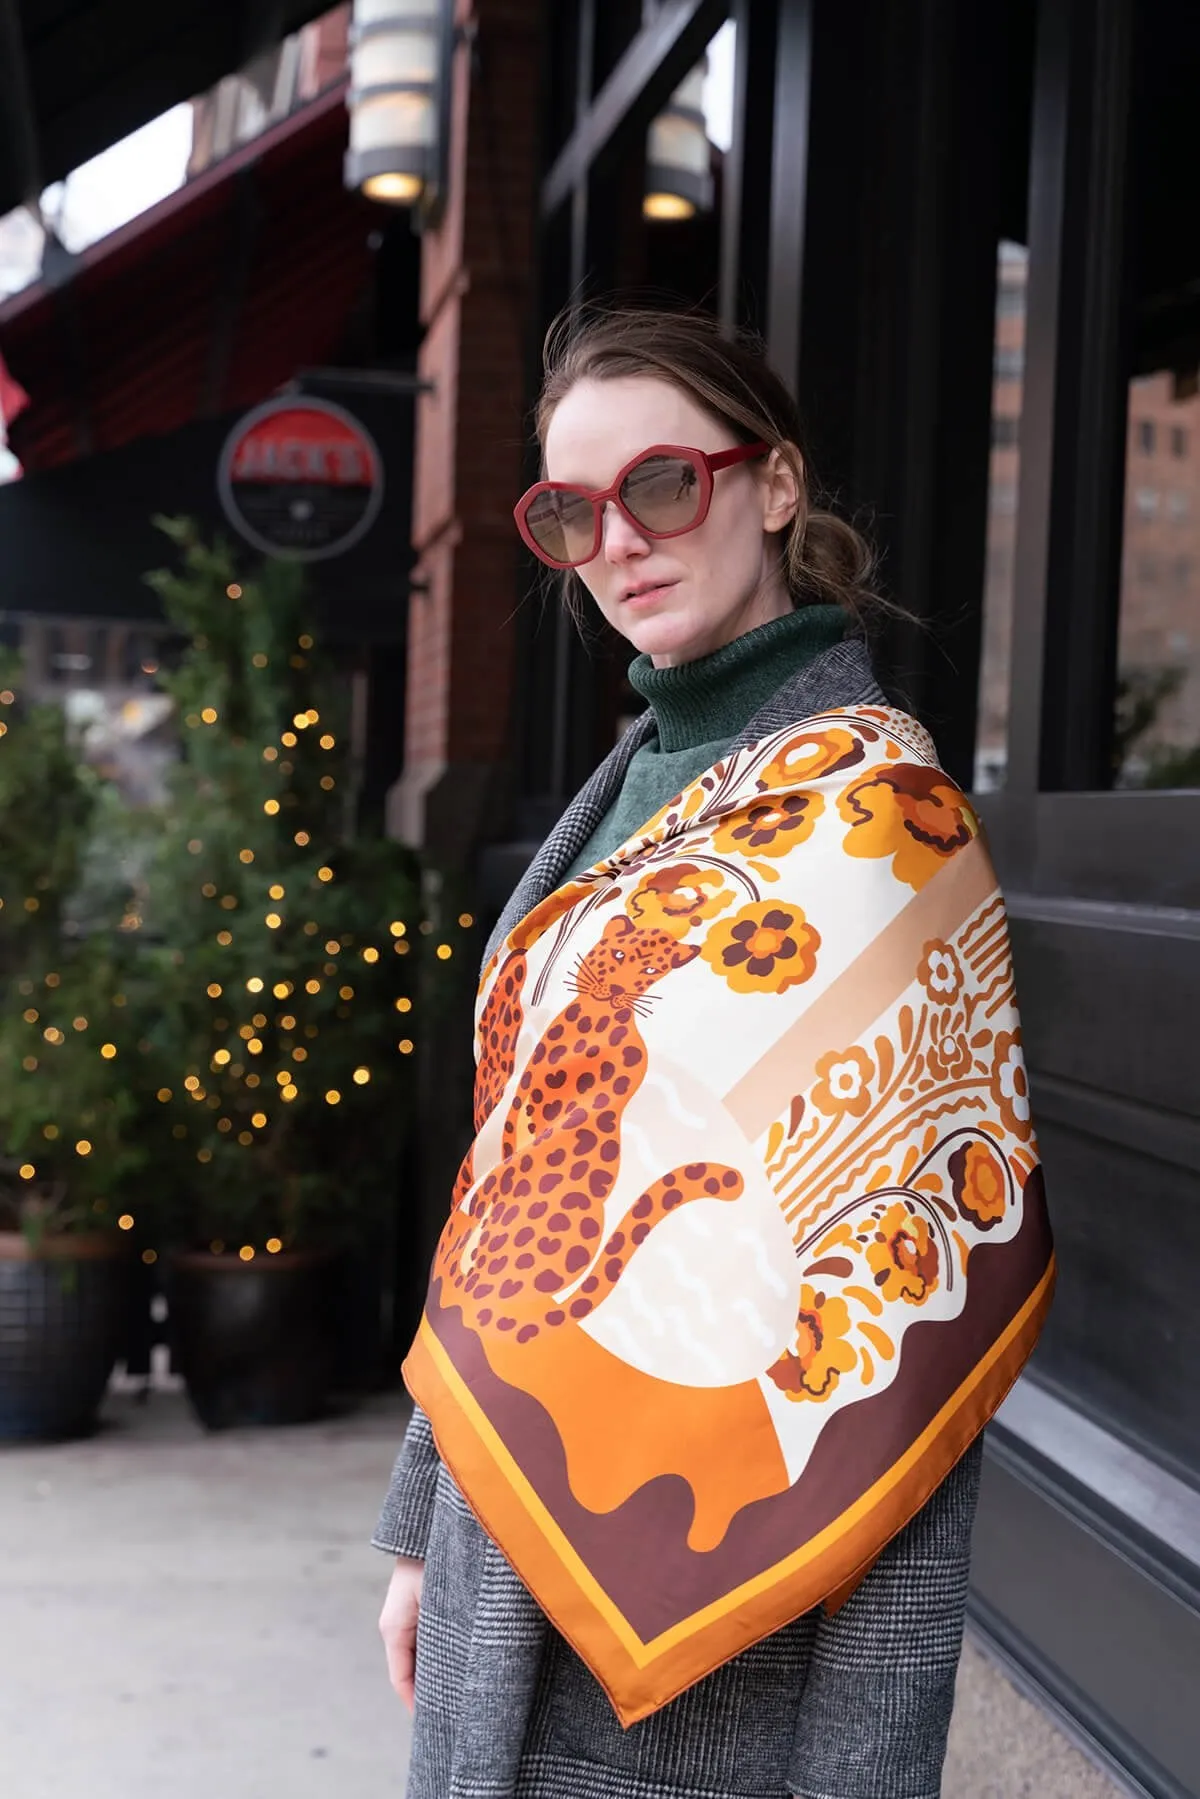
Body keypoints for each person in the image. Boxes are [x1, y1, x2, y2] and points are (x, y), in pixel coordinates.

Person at [375, 306, 1053, 1799]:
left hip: (714, 1665)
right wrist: (422, 1531)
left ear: (775, 485)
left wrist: (861, 1773)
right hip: (503, 1565)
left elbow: (906, 1329)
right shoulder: (627, 783)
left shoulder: (882, 832)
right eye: (568, 512)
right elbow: (505, 1186)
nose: (618, 540)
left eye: (664, 484)